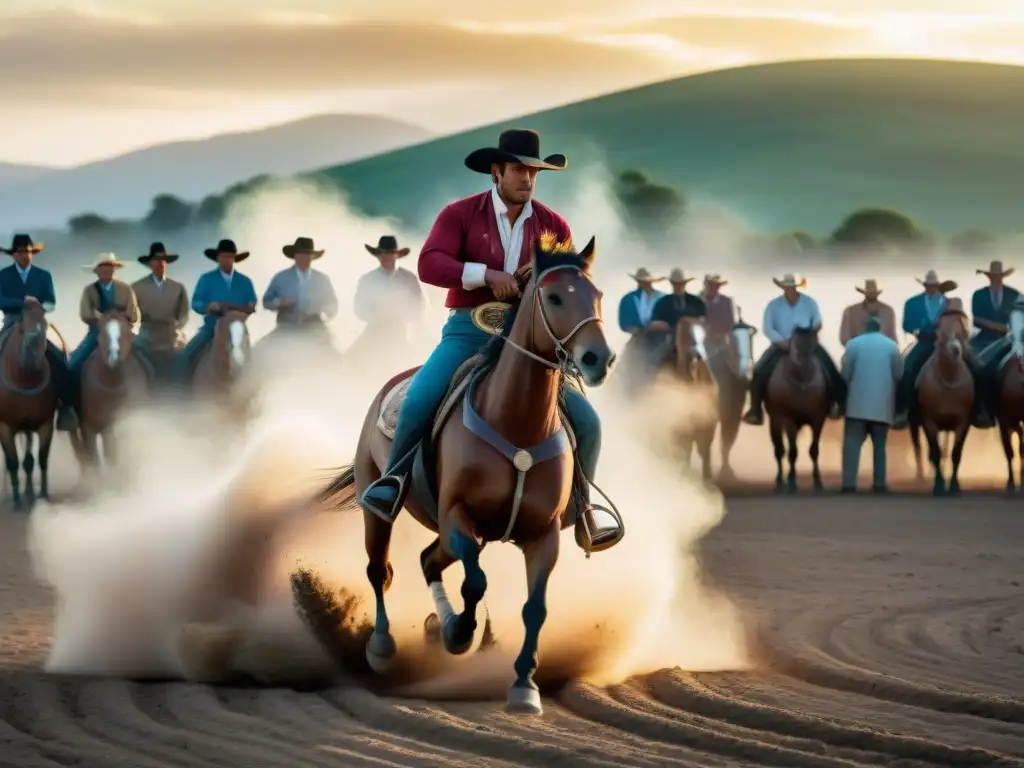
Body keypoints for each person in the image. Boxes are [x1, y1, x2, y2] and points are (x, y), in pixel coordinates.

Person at [357, 128, 618, 554]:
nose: (528, 179)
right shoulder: (460, 214)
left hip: (533, 344)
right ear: (496, 172)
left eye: (534, 172)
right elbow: (429, 264)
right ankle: (393, 482)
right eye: (518, 170)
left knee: (588, 424)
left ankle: (583, 509)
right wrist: (486, 275)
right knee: (421, 397)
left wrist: (538, 283)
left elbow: (565, 285)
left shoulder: (553, 225)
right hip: (467, 331)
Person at [742, 273, 846, 425]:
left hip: (807, 344)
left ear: (796, 287)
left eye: (792, 287)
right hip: (781, 345)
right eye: (787, 287)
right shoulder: (773, 305)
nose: (790, 289)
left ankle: (835, 405)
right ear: (783, 287)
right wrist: (782, 342)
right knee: (758, 371)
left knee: (831, 369)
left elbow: (817, 322)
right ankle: (755, 410)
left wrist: (809, 336)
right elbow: (768, 328)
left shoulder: (809, 302)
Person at [0, 234, 77, 430]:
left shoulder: (44, 275)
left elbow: (51, 302)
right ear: (14, 255)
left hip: (37, 323)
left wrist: (39, 307)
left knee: (60, 359)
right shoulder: (3, 275)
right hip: (12, 323)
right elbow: (1, 301)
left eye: (28, 251)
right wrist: (24, 302)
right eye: (21, 252)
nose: (25, 255)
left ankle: (66, 407)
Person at [894, 269, 986, 428]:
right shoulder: (912, 303)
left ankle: (979, 410)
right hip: (925, 342)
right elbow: (906, 324)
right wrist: (917, 330)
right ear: (924, 285)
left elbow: (962, 323)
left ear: (938, 285)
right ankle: (904, 411)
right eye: (928, 285)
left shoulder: (951, 303)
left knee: (977, 367)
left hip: (948, 342)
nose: (931, 288)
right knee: (908, 369)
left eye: (934, 285)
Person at [175, 239, 258, 383]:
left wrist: (233, 308)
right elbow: (196, 302)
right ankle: (183, 395)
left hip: (237, 328)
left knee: (254, 365)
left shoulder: (245, 281)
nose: (226, 260)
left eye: (229, 256)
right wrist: (209, 306)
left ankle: (254, 398)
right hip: (211, 328)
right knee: (185, 357)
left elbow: (252, 304)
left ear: (234, 258)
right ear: (217, 258)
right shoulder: (206, 279)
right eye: (223, 256)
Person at [68, 254, 141, 413]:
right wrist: (101, 320)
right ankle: (71, 406)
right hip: (97, 332)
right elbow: (85, 313)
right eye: (104, 266)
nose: (108, 269)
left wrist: (121, 319)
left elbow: (133, 314)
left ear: (115, 269)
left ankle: (150, 401)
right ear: (97, 270)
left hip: (123, 332)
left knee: (147, 359)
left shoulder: (125, 289)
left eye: (110, 266)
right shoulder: (89, 291)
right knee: (74, 364)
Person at [841, 315, 903, 493]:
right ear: (879, 327)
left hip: (857, 405)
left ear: (865, 327)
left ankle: (849, 484)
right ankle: (879, 483)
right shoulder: (891, 346)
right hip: (882, 406)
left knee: (852, 443)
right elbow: (899, 373)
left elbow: (845, 373)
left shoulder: (854, 344)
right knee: (880, 446)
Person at [348, 235, 426, 360]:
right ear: (378, 255)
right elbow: (359, 307)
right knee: (352, 356)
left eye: (390, 253)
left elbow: (419, 305)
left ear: (396, 255)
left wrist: (403, 315)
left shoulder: (409, 278)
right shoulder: (367, 279)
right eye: (383, 253)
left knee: (416, 359)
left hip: (400, 328)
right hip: (375, 328)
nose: (386, 257)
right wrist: (377, 317)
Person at [132, 242, 189, 382]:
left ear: (166, 263)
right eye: (156, 260)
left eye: (162, 260)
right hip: (146, 333)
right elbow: (131, 314)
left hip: (171, 333)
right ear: (150, 263)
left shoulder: (177, 287)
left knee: (190, 357)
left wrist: (176, 328)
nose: (159, 263)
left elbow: (184, 314)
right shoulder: (136, 287)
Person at [262, 236, 339, 338]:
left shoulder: (322, 279)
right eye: (301, 254)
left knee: (333, 352)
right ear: (295, 255)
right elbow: (266, 301)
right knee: (262, 351)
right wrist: (280, 302)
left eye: (307, 254)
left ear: (312, 256)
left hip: (315, 329)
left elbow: (332, 303)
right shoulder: (281, 277)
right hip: (286, 328)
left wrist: (323, 313)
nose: (304, 257)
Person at [839, 279, 897, 346]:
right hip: (859, 352)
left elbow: (893, 337)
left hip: (881, 351)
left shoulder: (888, 311)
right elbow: (844, 338)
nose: (872, 294)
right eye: (870, 292)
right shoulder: (850, 311)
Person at [699, 273, 737, 341]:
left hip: (722, 340)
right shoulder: (697, 301)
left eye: (715, 286)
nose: (711, 288)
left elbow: (730, 324)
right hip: (702, 340)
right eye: (709, 285)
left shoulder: (726, 302)